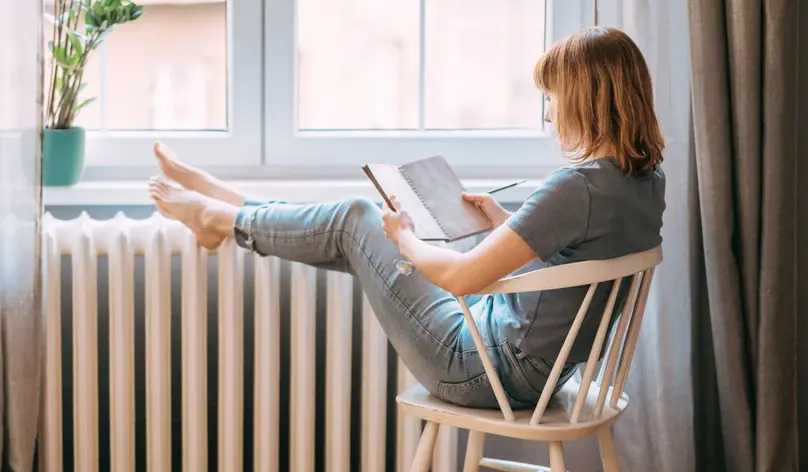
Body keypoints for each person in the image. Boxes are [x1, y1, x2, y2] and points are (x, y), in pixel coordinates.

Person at [147, 26, 665, 410]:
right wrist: (504, 221)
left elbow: (464, 279)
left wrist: (407, 238)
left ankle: (227, 218)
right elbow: (581, 261)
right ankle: (232, 211)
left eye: (552, 99)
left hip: (487, 371)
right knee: (355, 232)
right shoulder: (642, 184)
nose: (549, 113)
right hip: (535, 367)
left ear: (585, 100)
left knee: (357, 219)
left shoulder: (575, 188)